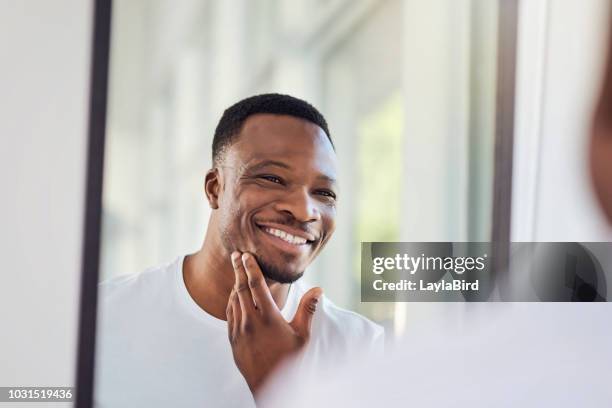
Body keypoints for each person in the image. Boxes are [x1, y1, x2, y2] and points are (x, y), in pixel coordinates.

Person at [94, 93, 383, 407]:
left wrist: (280, 389)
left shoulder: (364, 352)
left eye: (324, 192)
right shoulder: (101, 319)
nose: (303, 211)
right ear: (215, 188)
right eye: (272, 178)